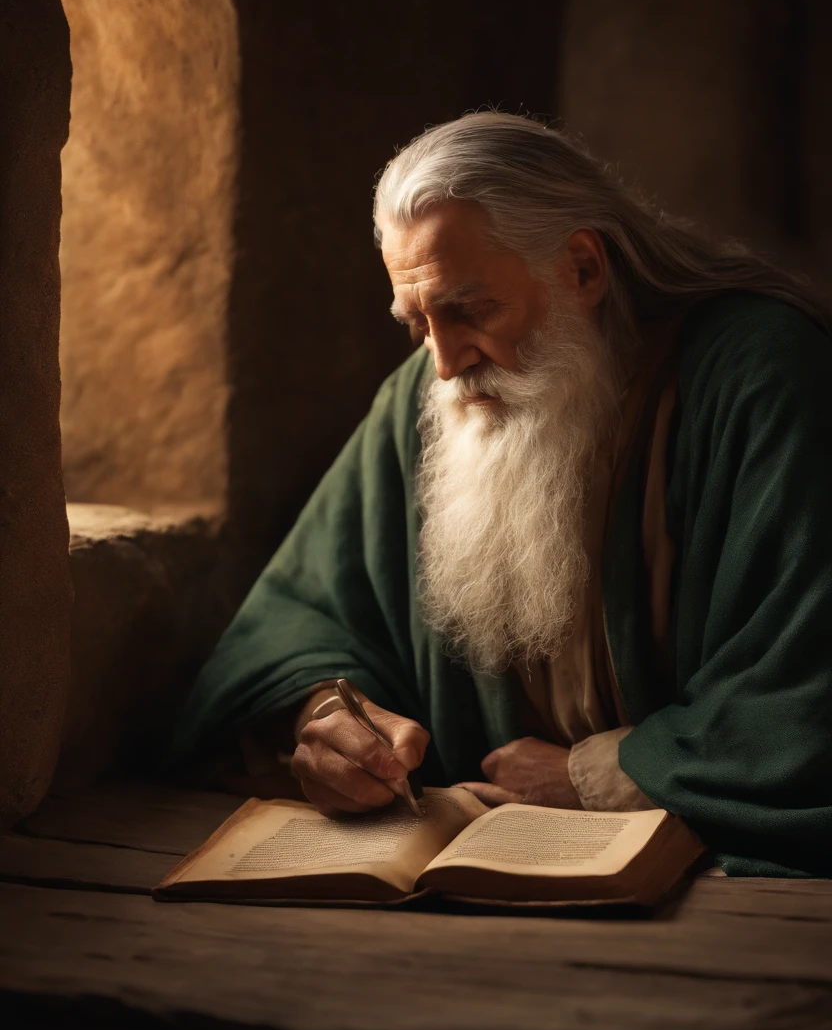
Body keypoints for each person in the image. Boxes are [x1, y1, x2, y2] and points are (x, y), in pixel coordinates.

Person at [169, 113, 832, 878]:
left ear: (583, 268)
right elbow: (299, 614)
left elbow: (806, 680)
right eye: (417, 323)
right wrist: (330, 718)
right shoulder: (426, 395)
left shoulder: (764, 377)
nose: (445, 365)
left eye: (472, 311)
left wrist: (595, 776)